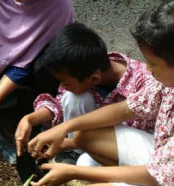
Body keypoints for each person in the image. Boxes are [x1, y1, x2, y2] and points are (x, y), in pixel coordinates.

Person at [27, 1, 174, 186]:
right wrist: (64, 128)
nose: (148, 69)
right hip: (162, 161)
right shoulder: (166, 83)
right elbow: (127, 109)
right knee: (86, 134)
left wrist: (74, 172)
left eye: (153, 63)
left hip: (165, 180)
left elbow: (149, 176)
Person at [15, 22, 154, 165]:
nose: (62, 86)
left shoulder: (145, 83)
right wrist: (30, 119)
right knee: (73, 97)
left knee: (86, 164)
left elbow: (126, 137)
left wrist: (66, 141)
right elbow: (60, 103)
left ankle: (78, 155)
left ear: (94, 79)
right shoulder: (85, 65)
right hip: (88, 138)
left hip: (128, 144)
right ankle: (74, 154)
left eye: (66, 83)